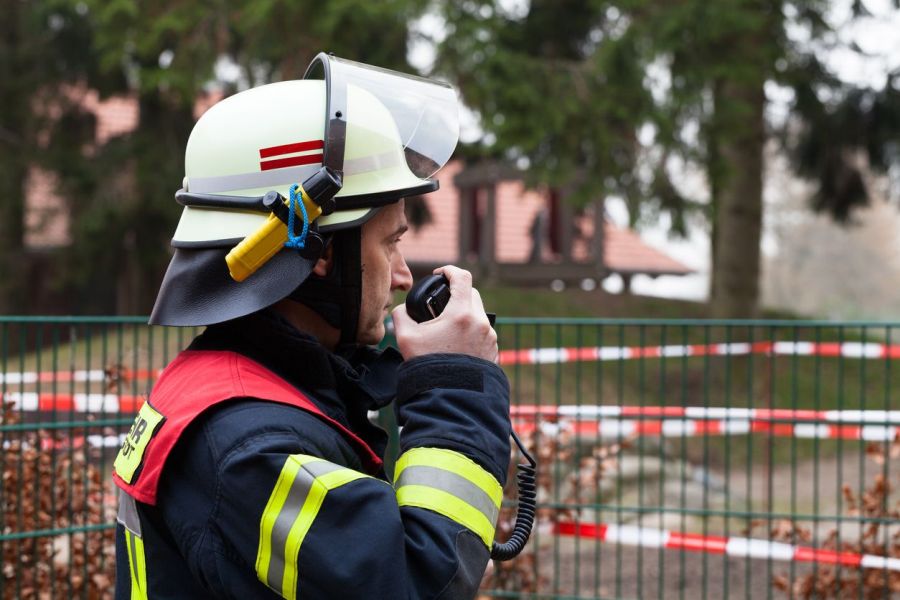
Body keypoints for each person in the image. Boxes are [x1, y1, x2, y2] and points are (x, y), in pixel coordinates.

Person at [112, 54, 511, 599]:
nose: (402, 277)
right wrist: (455, 384)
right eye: (391, 242)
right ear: (320, 253)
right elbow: (421, 583)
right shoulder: (252, 450)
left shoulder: (242, 391)